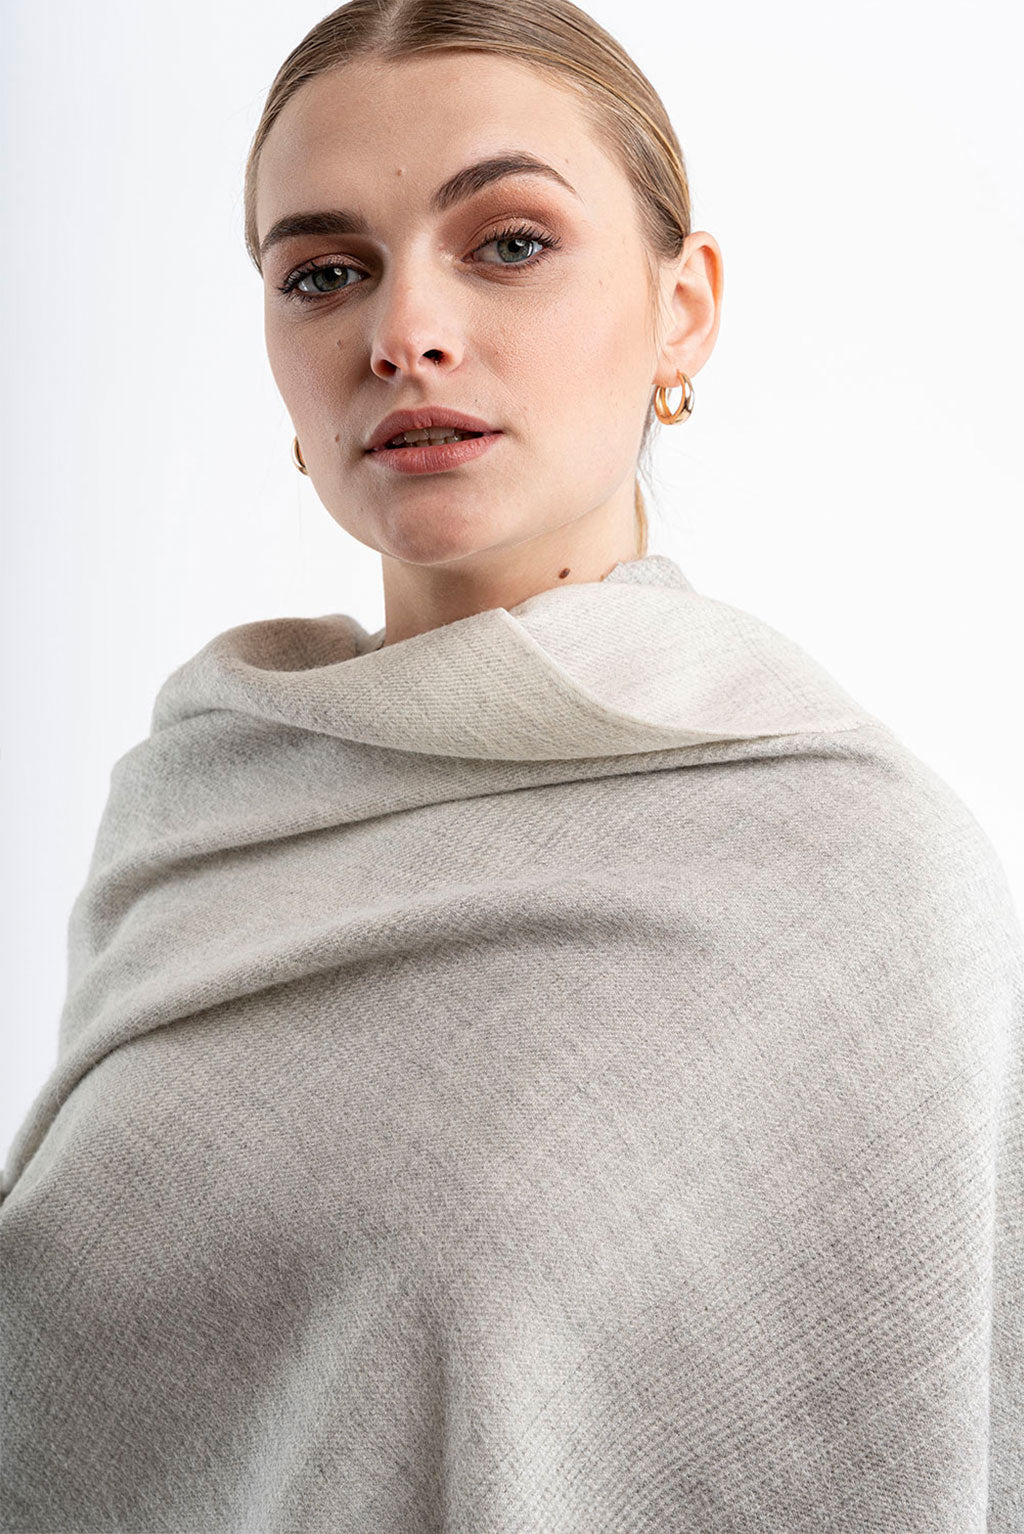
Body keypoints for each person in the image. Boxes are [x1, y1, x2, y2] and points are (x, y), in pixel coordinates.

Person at [1, 3, 1020, 1531]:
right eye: (324, 272)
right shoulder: (200, 805)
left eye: (510, 244)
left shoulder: (861, 880)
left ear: (685, 309)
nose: (402, 329)